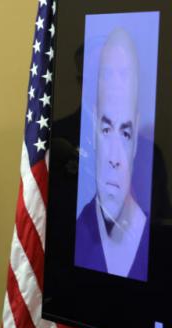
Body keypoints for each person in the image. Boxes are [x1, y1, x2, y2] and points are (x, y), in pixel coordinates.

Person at [75, 28, 149, 281]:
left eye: (126, 134)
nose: (114, 158)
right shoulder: (76, 232)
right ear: (94, 128)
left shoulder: (154, 236)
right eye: (106, 130)